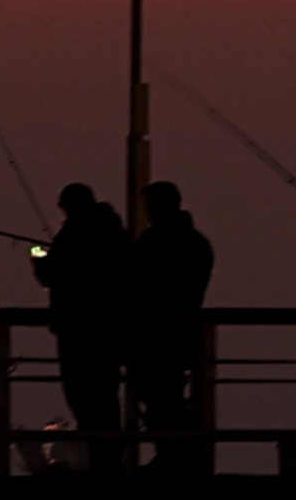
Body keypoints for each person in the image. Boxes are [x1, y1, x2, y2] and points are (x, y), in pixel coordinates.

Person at [29, 183, 129, 470]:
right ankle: (110, 454)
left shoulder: (72, 235)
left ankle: (103, 456)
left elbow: (50, 275)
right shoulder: (114, 233)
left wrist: (38, 259)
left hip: (77, 330)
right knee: (106, 394)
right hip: (108, 330)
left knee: (82, 394)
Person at [127, 180, 217, 470]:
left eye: (149, 206)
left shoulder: (155, 242)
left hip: (155, 336)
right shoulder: (197, 243)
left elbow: (136, 281)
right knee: (170, 396)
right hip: (183, 334)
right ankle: (182, 455)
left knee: (158, 398)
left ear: (163, 205)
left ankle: (173, 456)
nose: (147, 212)